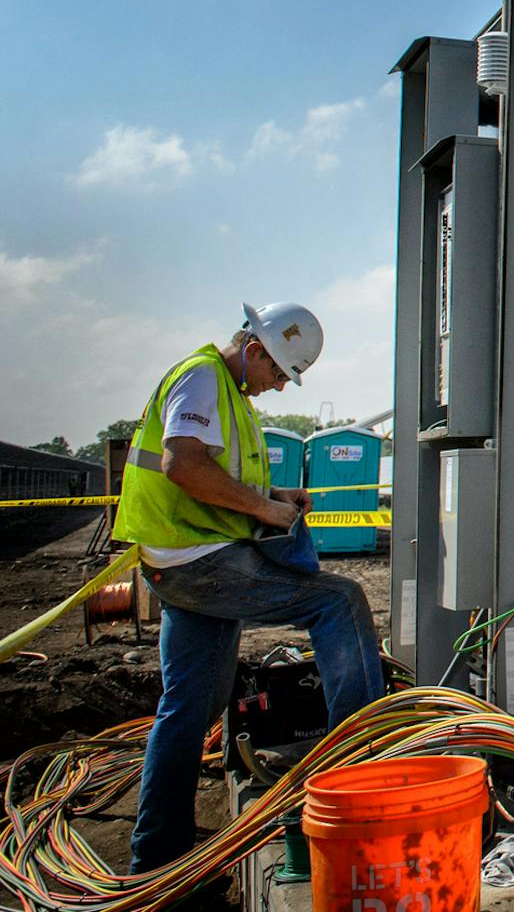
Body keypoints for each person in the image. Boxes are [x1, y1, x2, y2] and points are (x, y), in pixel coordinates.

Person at [115, 302, 384, 873]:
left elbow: (216, 476)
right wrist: (262, 507)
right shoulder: (203, 376)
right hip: (197, 561)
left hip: (187, 560)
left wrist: (274, 497)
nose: (281, 388)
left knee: (190, 707)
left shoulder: (229, 393)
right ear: (256, 349)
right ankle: (362, 768)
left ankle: (155, 860)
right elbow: (182, 466)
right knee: (340, 600)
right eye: (280, 374)